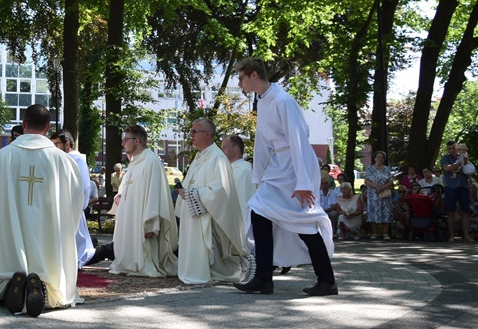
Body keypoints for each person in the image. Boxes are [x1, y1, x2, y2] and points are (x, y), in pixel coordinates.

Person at [233, 58, 337, 296]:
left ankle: (327, 280)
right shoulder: (264, 100)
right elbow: (262, 142)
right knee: (259, 213)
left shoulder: (282, 100)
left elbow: (298, 139)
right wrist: (259, 175)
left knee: (303, 222)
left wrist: (303, 183)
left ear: (254, 75)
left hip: (294, 167)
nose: (240, 83)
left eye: (241, 78)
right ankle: (264, 277)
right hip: (279, 167)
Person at [0, 104, 84, 316]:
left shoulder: (3, 156)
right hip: (48, 231)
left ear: (24, 124)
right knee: (49, 255)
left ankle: (12, 283)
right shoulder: (63, 160)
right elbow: (75, 200)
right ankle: (41, 284)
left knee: (11, 249)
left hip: (12, 227)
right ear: (47, 127)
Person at [174, 119, 247, 284]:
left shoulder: (217, 159)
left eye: (195, 131)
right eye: (191, 131)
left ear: (207, 134)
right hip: (192, 214)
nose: (191, 135)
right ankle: (191, 271)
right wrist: (183, 191)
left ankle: (206, 271)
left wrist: (193, 193)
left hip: (206, 217)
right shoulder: (199, 158)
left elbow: (219, 192)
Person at [109, 124, 178, 278]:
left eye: (126, 139)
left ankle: (143, 265)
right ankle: (128, 263)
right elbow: (127, 184)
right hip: (129, 215)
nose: (123, 143)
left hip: (143, 219)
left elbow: (155, 195)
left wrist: (152, 224)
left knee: (145, 255)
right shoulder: (134, 163)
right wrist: (119, 194)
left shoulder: (151, 162)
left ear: (137, 141)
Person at [52, 129, 98, 267]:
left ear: (67, 144)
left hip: (73, 207)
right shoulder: (64, 159)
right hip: (66, 206)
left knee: (77, 242)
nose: (54, 148)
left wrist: (81, 206)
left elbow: (84, 186)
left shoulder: (76, 159)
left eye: (57, 144)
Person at [441, 141, 471, 241]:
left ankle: (466, 235)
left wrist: (460, 164)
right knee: (450, 212)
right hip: (450, 187)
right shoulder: (446, 158)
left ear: (457, 147)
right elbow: (447, 168)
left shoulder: (464, 156)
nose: (452, 150)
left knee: (466, 211)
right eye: (450, 148)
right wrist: (460, 163)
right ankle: (451, 235)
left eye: (454, 148)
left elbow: (470, 169)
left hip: (463, 186)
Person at [364, 150, 394, 240]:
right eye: (378, 157)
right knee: (373, 212)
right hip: (373, 194)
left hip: (384, 194)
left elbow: (391, 181)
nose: (380, 159)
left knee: (385, 212)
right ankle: (374, 233)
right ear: (375, 158)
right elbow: (366, 181)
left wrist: (382, 188)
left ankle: (385, 233)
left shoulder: (386, 169)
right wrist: (376, 187)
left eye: (382, 157)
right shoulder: (370, 169)